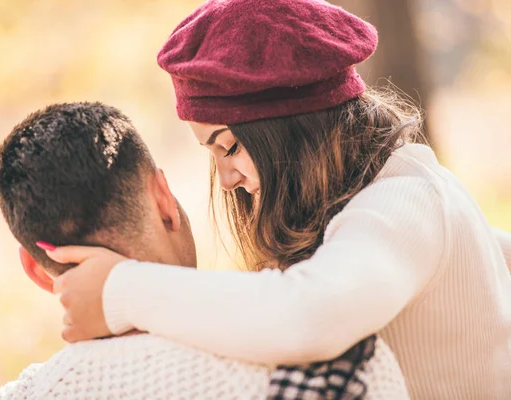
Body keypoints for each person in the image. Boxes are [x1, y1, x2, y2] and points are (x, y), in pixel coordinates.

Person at [42, 1, 511, 399]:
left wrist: (121, 290)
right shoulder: (382, 205)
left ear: (289, 132)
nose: (225, 180)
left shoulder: (404, 200)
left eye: (229, 147)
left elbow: (309, 315)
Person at [0, 102, 410, 399]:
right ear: (164, 200)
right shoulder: (339, 370)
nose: (226, 181)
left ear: (37, 270)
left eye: (230, 147)